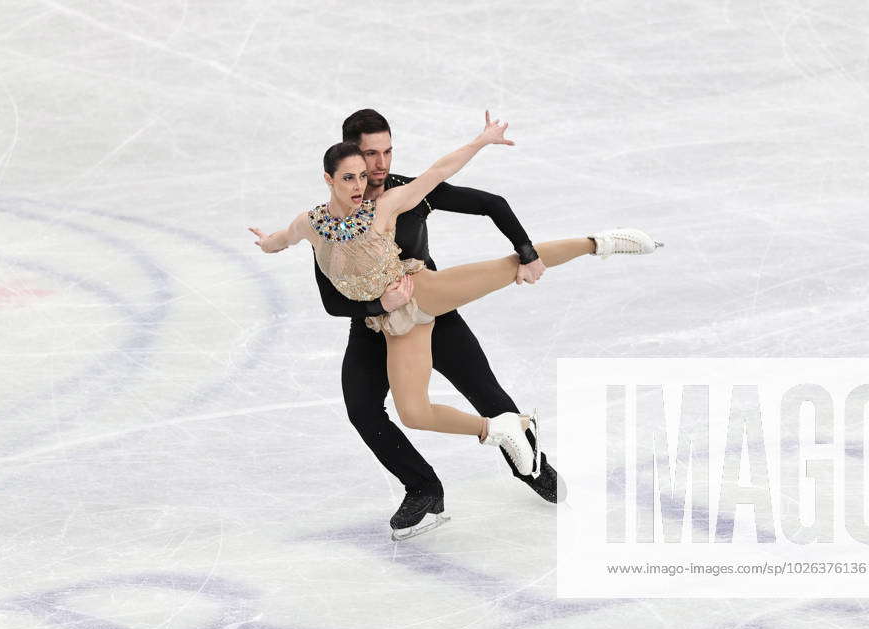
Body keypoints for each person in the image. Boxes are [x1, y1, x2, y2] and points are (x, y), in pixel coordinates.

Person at [251, 113, 661, 540]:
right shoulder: (316, 223)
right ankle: (439, 477)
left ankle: (601, 243)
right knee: (399, 412)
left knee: (503, 286)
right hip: (378, 320)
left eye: (385, 153)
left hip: (425, 295)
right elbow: (305, 267)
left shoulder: (391, 200)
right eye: (364, 160)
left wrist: (482, 143)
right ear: (335, 171)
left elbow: (446, 176)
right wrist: (267, 243)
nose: (374, 169)